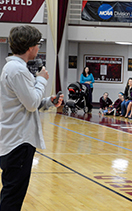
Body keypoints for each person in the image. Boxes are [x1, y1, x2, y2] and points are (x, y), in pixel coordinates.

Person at [0, 25, 64, 210]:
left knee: (10, 192)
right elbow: (31, 104)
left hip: (14, 139)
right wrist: (42, 79)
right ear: (30, 47)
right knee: (13, 196)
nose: (39, 47)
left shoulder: (14, 68)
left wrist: (48, 101)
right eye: (38, 44)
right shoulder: (17, 70)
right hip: (18, 142)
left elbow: (26, 102)